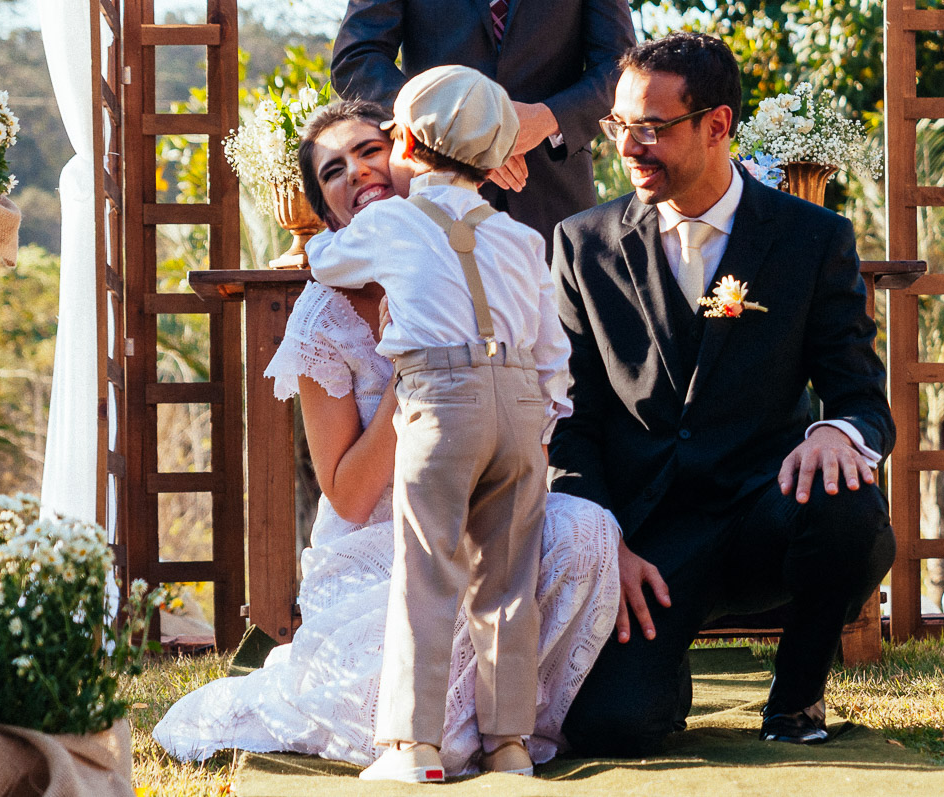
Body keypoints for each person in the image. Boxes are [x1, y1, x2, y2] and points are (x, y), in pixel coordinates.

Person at [151, 98, 619, 776]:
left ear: (411, 159)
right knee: (433, 600)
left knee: (584, 529)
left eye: (371, 150)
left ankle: (504, 728)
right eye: (334, 169)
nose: (358, 173)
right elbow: (347, 491)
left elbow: (537, 406)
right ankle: (440, 734)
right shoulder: (323, 316)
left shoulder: (491, 260)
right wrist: (418, 373)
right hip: (375, 549)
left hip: (482, 510)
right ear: (328, 208)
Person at [549, 32, 898, 755]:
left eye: (652, 127)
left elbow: (861, 395)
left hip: (763, 521)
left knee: (850, 495)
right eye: (621, 126)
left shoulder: (812, 237)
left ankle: (796, 697)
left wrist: (838, 432)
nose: (630, 145)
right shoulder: (582, 244)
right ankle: (658, 674)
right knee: (608, 728)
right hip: (646, 543)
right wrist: (598, 537)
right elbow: (570, 418)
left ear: (717, 125)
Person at [307, 66, 572, 783]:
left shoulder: (389, 224)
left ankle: (412, 745)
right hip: (521, 407)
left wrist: (313, 242)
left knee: (428, 572)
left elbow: (325, 259)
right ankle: (510, 744)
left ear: (408, 143)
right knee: (508, 579)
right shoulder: (521, 240)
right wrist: (545, 417)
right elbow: (553, 348)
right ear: (494, 159)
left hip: (440, 402)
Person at [330, 0, 636, 249]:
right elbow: (356, 59)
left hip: (553, 199)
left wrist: (547, 118)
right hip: (436, 205)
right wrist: (455, 128)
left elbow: (619, 65)